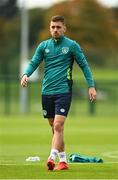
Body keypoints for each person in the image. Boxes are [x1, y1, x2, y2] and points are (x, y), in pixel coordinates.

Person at [20, 15, 97, 171]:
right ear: (50, 28)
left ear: (64, 28)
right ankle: (63, 161)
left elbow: (84, 65)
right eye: (52, 27)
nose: (55, 30)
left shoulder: (72, 45)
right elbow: (34, 61)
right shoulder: (43, 46)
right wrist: (26, 74)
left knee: (58, 125)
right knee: (54, 128)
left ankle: (51, 157)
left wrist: (91, 85)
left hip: (64, 90)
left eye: (58, 27)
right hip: (47, 91)